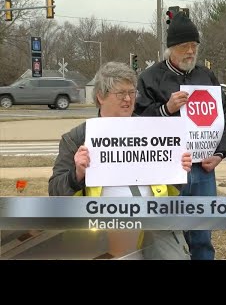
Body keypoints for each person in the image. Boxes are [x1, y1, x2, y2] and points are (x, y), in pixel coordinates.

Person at [49, 61, 192, 260]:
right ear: (100, 96)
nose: (128, 99)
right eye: (121, 93)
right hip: (101, 229)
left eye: (132, 93)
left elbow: (173, 189)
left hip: (155, 226)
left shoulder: (154, 132)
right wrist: (77, 174)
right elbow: (55, 192)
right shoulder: (76, 138)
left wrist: (180, 169)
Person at [134, 12, 226, 260]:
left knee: (202, 234)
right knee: (169, 234)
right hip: (166, 169)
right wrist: (166, 110)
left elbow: (223, 116)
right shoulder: (150, 78)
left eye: (194, 46)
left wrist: (220, 153)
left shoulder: (206, 76)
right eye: (184, 46)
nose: (190, 51)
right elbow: (136, 123)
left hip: (202, 169)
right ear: (170, 49)